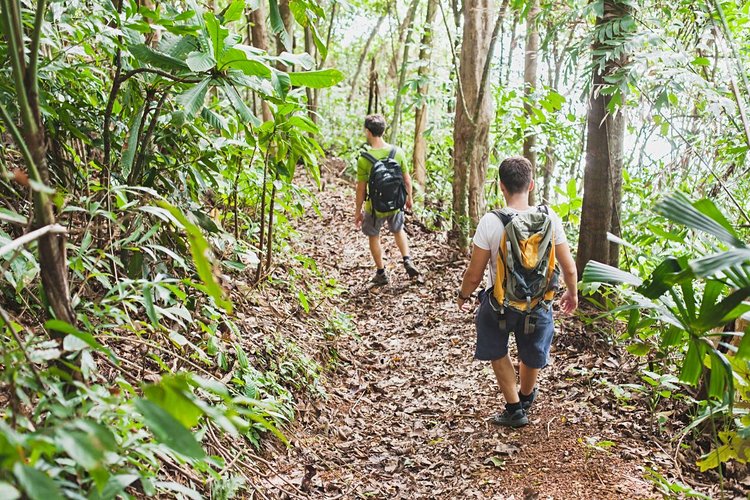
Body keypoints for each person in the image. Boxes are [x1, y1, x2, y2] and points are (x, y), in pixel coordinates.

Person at [456, 156, 578, 427]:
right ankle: (525, 396)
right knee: (532, 349)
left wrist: (463, 296)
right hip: (538, 303)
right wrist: (572, 293)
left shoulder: (491, 221)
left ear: (501, 186)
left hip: (500, 303)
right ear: (531, 185)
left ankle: (514, 408)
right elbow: (568, 267)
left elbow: (474, 274)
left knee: (496, 347)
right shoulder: (550, 217)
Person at [354, 114, 420, 285]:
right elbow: (407, 180)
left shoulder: (364, 159)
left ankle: (381, 273)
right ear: (383, 131)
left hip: (374, 208)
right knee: (399, 231)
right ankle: (407, 260)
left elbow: (361, 188)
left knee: (373, 236)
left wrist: (358, 211)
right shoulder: (397, 152)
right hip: (396, 203)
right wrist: (408, 199)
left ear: (368, 132)